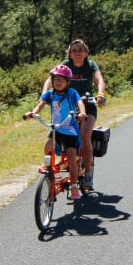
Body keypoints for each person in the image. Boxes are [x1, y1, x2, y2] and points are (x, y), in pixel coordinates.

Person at [41, 39, 106, 192]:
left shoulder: (90, 65)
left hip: (87, 105)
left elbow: (99, 79)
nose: (77, 53)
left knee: (84, 135)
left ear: (86, 53)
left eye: (80, 50)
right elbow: (49, 80)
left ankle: (88, 173)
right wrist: (44, 93)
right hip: (67, 106)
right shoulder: (65, 64)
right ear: (69, 53)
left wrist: (100, 93)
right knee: (59, 135)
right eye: (74, 50)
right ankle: (63, 165)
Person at [25, 64, 87, 200]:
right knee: (47, 146)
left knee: (71, 158)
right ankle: (49, 170)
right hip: (57, 129)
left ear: (68, 82)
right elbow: (41, 104)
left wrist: (82, 113)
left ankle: (74, 186)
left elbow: (80, 102)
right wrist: (33, 113)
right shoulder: (50, 94)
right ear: (52, 81)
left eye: (62, 79)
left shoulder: (71, 93)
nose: (58, 82)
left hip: (70, 130)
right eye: (56, 79)